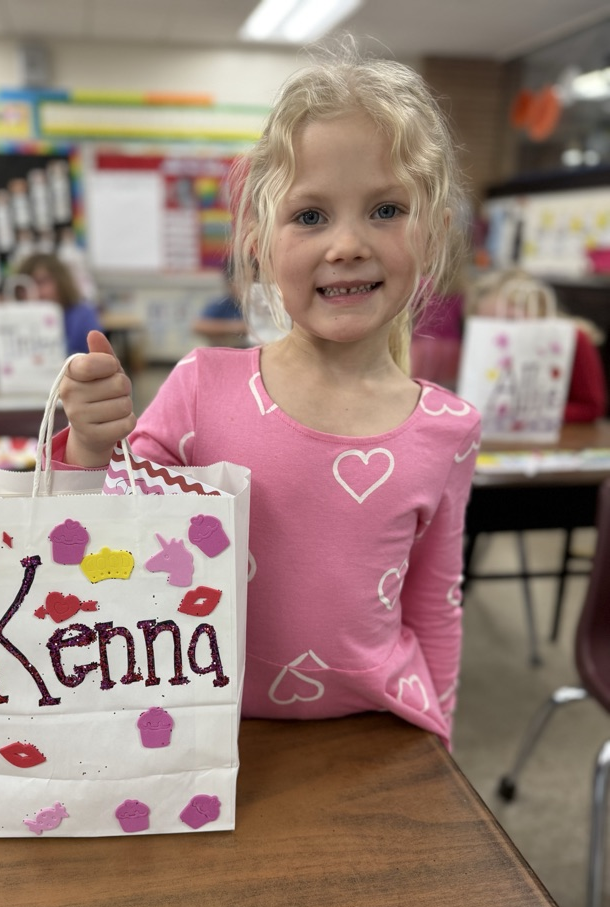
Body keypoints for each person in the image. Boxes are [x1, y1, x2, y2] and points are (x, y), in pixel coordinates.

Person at [54, 47, 482, 750]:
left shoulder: (447, 427)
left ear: (432, 232)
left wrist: (439, 745)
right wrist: (89, 444)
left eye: (386, 209)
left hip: (379, 735)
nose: (347, 244)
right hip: (214, 736)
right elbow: (106, 538)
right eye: (310, 216)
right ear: (258, 242)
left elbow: (436, 605)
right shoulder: (202, 388)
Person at [464, 268, 608, 423]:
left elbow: (592, 407)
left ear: (539, 309)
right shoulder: (484, 345)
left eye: (510, 319)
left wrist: (526, 413)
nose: (500, 332)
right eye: (488, 324)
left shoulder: (575, 339)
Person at [15, 252, 102, 356]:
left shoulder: (82, 316)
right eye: (27, 285)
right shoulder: (16, 321)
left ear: (60, 281)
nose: (34, 291)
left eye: (42, 282)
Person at [192, 258, 248, 347]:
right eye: (242, 281)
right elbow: (198, 326)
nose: (248, 286)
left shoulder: (262, 306)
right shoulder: (224, 304)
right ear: (230, 284)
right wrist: (238, 328)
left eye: (253, 280)